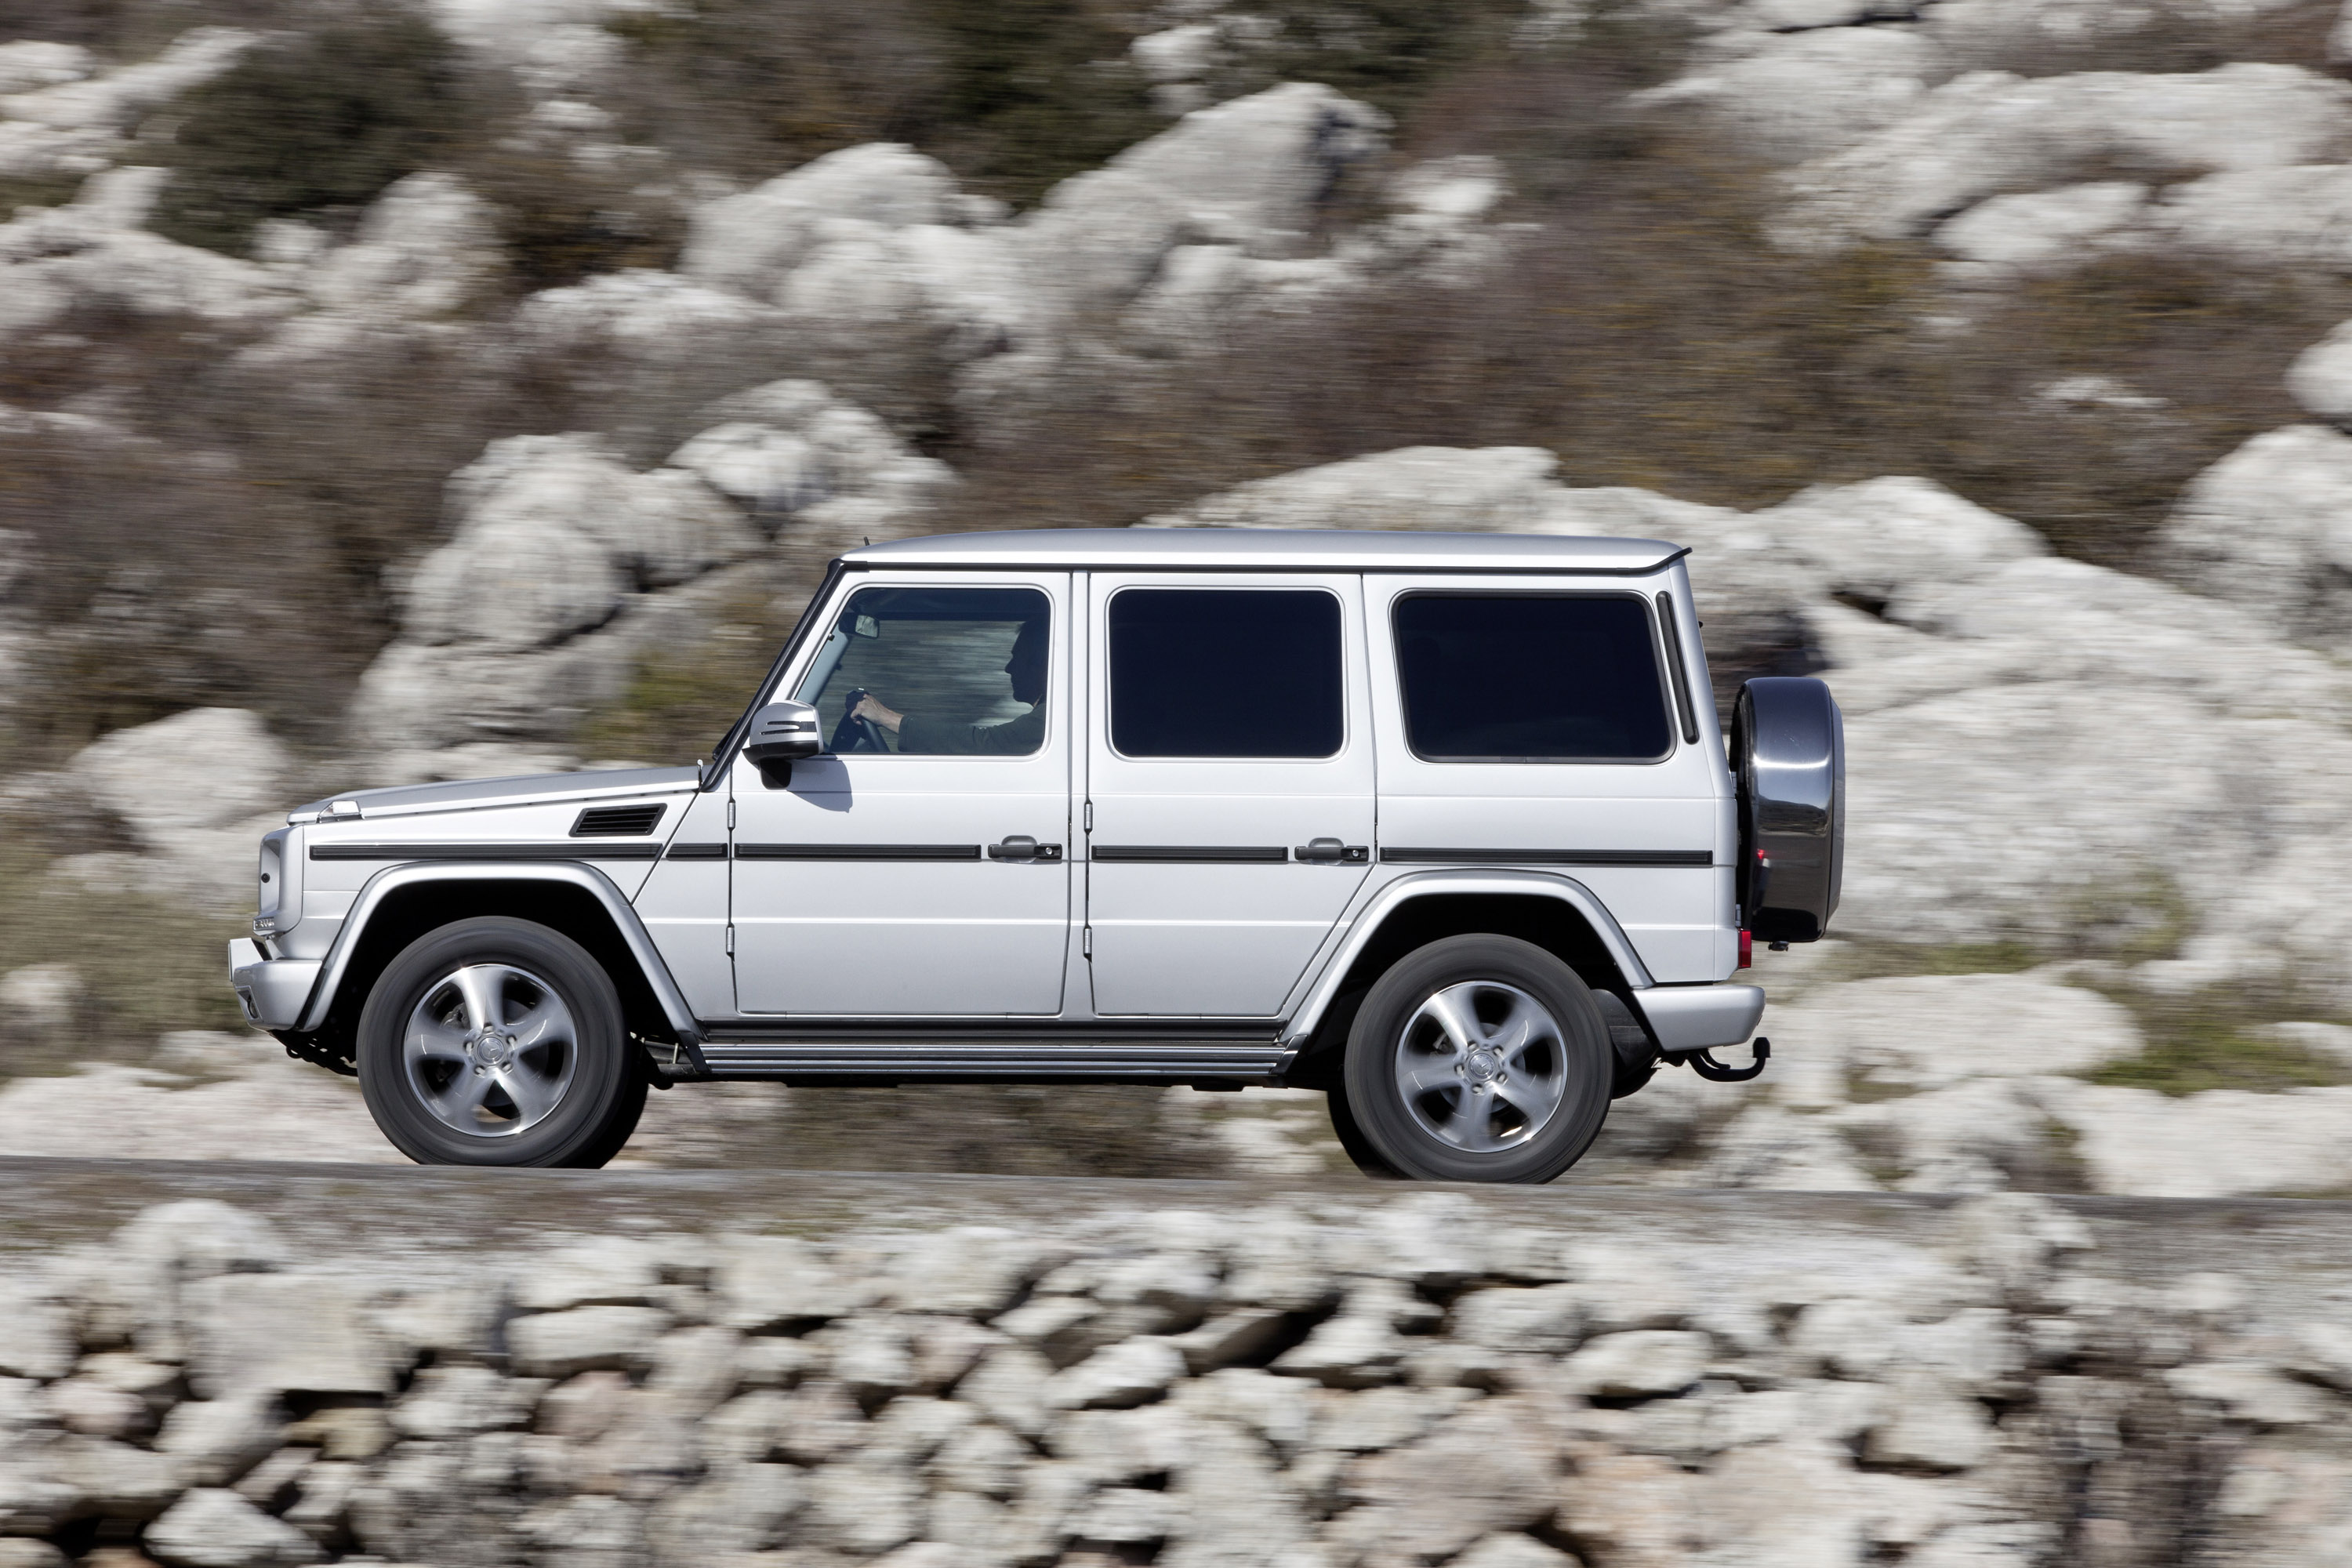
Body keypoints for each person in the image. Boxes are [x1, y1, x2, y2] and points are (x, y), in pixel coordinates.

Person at [851, 617, 1047, 755]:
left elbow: (984, 745)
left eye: (1017, 658)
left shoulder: (1054, 718)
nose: (1008, 668)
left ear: (1041, 664)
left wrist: (886, 717)